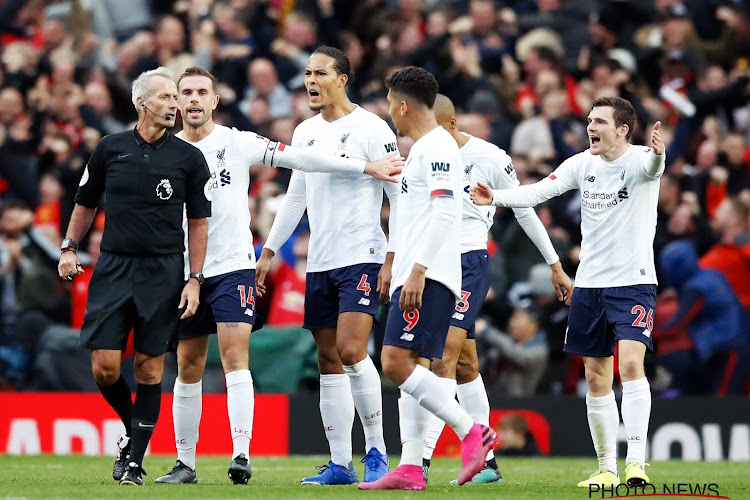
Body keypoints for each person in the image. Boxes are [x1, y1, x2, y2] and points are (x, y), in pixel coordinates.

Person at [153, 66, 403, 486]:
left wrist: (365, 168)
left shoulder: (238, 141)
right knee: (187, 363)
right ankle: (185, 463)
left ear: (215, 101)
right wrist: (268, 250)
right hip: (186, 272)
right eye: (186, 93)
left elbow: (299, 161)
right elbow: (298, 189)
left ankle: (244, 455)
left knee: (243, 357)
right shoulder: (164, 152)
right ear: (176, 102)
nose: (193, 100)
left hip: (235, 266)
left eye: (201, 92)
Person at [472, 96, 665, 488]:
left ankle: (637, 464)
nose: (590, 127)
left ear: (622, 130)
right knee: (596, 375)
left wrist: (660, 156)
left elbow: (653, 168)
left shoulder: (641, 159)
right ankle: (607, 468)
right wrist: (498, 197)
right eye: (589, 120)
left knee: (630, 366)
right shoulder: (582, 164)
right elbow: (539, 192)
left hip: (633, 282)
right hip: (589, 284)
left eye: (599, 122)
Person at [57, 67, 211, 487]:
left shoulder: (188, 158)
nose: (174, 105)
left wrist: (194, 277)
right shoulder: (110, 149)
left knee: (148, 368)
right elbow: (85, 202)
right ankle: (133, 429)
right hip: (113, 266)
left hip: (163, 271)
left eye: (175, 99)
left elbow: (198, 222)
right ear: (141, 103)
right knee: (105, 367)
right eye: (165, 98)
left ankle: (135, 461)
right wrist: (69, 247)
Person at [256, 46, 399, 485]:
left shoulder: (373, 128)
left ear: (343, 78)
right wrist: (268, 251)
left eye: (320, 73)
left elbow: (399, 197)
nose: (311, 81)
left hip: (363, 255)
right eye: (307, 73)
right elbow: (296, 196)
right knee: (328, 359)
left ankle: (376, 450)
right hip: (320, 260)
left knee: (354, 350)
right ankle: (340, 462)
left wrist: (393, 255)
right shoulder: (304, 131)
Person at [419, 94, 572, 484]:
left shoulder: (491, 157)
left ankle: (417, 461)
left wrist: (555, 264)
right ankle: (487, 464)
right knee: (467, 363)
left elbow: (525, 209)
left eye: (430, 127)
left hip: (468, 262)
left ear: (450, 123)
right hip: (432, 265)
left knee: (442, 358)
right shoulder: (420, 152)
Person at [359, 66, 498, 492]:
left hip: (430, 274)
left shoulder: (436, 147)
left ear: (402, 105)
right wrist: (398, 263)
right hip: (415, 271)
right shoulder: (424, 147)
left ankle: (471, 432)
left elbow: (445, 212)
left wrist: (418, 271)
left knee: (395, 363)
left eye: (388, 103)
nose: (389, 113)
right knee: (412, 366)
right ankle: (412, 467)